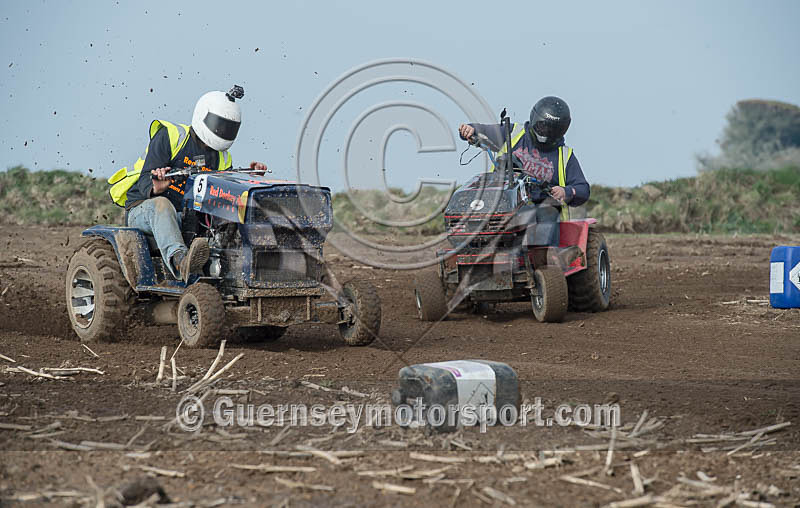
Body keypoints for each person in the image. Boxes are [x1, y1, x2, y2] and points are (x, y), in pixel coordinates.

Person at [108, 85, 267, 281]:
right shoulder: (171, 136)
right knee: (162, 204)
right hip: (144, 210)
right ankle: (181, 262)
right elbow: (143, 180)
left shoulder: (223, 158)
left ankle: (239, 266)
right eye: (219, 125)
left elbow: (224, 193)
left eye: (228, 127)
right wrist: (156, 187)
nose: (222, 131)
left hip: (189, 216)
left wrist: (251, 179)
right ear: (203, 115)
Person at [458, 96, 589, 265]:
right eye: (543, 126)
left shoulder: (565, 156)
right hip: (504, 201)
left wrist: (566, 191)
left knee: (547, 211)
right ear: (534, 119)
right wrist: (470, 130)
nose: (546, 133)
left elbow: (583, 189)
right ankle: (475, 254)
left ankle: (548, 261)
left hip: (540, 205)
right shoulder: (512, 133)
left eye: (553, 130)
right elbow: (482, 131)